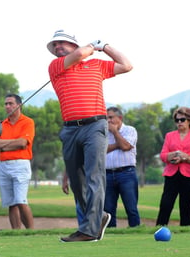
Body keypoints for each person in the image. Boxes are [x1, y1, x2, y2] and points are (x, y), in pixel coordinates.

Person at [46, 29, 133, 242]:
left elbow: (127, 65)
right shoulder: (56, 66)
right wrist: (92, 47)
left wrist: (105, 46)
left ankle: (88, 230)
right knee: (77, 182)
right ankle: (98, 217)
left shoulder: (96, 66)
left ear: (74, 45)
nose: (58, 47)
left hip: (95, 126)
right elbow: (77, 56)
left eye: (63, 44)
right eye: (55, 45)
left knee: (94, 175)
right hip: (69, 128)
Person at [0, 94, 34, 229]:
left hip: (20, 164)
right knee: (11, 203)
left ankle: (31, 232)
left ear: (19, 105)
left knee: (21, 201)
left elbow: (23, 143)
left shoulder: (27, 122)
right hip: (3, 165)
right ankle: (16, 233)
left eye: (11, 103)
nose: (7, 106)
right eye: (6, 104)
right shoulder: (1, 124)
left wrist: (3, 144)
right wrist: (13, 143)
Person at [156, 107, 190, 226]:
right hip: (171, 175)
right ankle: (159, 229)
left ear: (189, 120)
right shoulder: (169, 136)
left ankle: (185, 231)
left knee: (186, 206)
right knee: (166, 204)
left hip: (188, 175)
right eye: (176, 120)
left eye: (182, 120)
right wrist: (173, 155)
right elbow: (162, 155)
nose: (179, 123)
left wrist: (185, 157)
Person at [104, 107, 140, 227]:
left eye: (111, 117)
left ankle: (136, 234)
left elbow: (125, 147)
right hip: (107, 174)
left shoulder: (130, 130)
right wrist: (118, 144)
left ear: (120, 118)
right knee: (108, 209)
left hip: (126, 173)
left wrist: (115, 132)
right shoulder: (103, 132)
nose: (108, 120)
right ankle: (111, 234)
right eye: (106, 118)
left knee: (131, 208)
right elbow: (101, 150)